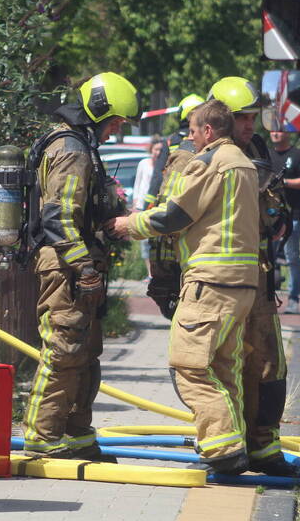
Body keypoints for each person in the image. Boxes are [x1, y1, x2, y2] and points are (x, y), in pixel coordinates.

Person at [106, 99, 259, 474]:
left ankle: (221, 448)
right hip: (242, 283)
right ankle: (232, 445)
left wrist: (128, 225)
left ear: (208, 130)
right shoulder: (244, 163)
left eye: (191, 131)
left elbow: (174, 214)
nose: (188, 139)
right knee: (224, 366)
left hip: (210, 279)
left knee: (187, 364)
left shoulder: (210, 163)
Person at [21, 71, 139, 461]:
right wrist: (84, 269)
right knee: (64, 349)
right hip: (65, 266)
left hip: (76, 263)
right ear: (100, 111)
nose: (117, 130)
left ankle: (76, 433)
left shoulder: (81, 145)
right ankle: (42, 435)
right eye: (117, 121)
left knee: (86, 352)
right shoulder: (71, 150)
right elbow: (58, 217)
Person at [206, 76, 296, 477]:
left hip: (258, 280)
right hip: (215, 282)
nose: (250, 125)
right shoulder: (197, 154)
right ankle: (228, 448)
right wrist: (165, 283)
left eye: (252, 117)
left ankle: (265, 448)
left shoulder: (258, 150)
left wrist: (280, 216)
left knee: (269, 366)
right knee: (220, 365)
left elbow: (276, 206)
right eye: (241, 118)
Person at [145, 94, 204, 318]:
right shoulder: (205, 144)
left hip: (169, 215)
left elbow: (158, 179)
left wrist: (147, 206)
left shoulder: (171, 141)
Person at [270, 131, 300, 315]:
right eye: (272, 130)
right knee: (267, 258)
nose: (275, 133)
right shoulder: (266, 153)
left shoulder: (299, 155)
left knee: (292, 258)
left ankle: (293, 298)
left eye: (279, 130)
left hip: (292, 216)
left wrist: (284, 182)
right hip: (269, 216)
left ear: (287, 132)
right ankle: (268, 298)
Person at [130, 135, 163, 277]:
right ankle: (149, 272)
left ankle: (155, 272)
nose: (158, 152)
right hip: (142, 205)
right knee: (143, 240)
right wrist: (135, 202)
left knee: (153, 238)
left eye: (161, 150)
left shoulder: (164, 166)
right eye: (156, 149)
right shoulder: (144, 163)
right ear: (151, 149)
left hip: (155, 206)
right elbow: (138, 183)